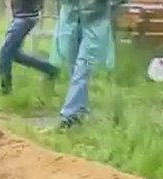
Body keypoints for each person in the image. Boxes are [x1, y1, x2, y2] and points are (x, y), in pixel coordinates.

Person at [49, 0, 116, 128]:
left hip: (94, 22)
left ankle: (69, 115)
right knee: (74, 67)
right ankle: (80, 110)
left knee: (82, 67)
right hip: (71, 20)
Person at [0, 0, 60, 94]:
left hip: (26, 16)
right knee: (14, 54)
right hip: (22, 15)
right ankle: (50, 69)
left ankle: (6, 89)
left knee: (5, 51)